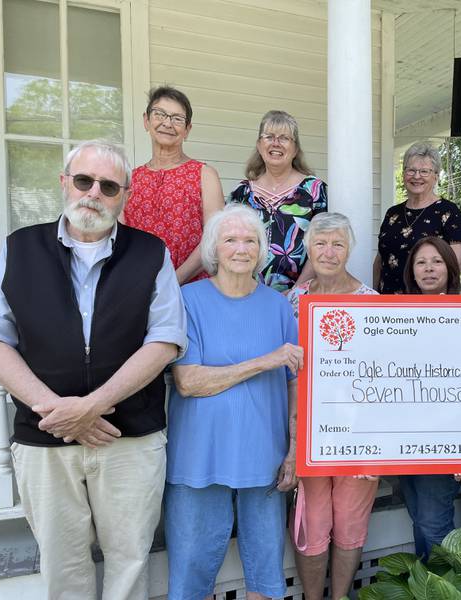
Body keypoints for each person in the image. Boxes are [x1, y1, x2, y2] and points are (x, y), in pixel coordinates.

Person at [0, 140, 187, 599]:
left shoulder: (151, 253)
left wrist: (94, 406)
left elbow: (166, 340)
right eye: (83, 180)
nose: (94, 193)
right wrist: (56, 410)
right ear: (64, 183)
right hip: (45, 437)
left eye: (109, 185)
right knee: (62, 564)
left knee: (131, 561)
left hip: (129, 438)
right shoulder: (19, 248)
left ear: (125, 196)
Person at [165, 205, 302, 599]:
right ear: (213, 249)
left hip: (264, 459)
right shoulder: (188, 300)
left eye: (250, 240)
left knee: (266, 575)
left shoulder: (278, 306)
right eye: (230, 240)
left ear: (261, 250)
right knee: (191, 575)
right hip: (198, 459)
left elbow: (294, 384)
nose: (241, 248)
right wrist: (266, 360)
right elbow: (189, 382)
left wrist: (293, 450)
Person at [286, 212, 379, 600]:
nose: (328, 251)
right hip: (308, 432)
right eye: (320, 243)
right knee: (314, 521)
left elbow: (382, 374)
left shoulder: (370, 302)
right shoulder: (293, 299)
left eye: (338, 244)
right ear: (308, 249)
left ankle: (339, 596)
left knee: (350, 524)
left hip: (356, 434)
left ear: (349, 250)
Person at [398, 236, 461, 559]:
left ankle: (444, 588)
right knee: (417, 515)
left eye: (436, 262)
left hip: (445, 436)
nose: (428, 269)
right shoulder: (395, 314)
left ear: (450, 268)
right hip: (404, 435)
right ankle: (425, 584)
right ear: (411, 271)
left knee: (433, 522)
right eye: (421, 262)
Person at [122, 85, 224, 284]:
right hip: (137, 287)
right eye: (160, 114)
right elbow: (119, 238)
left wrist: (173, 281)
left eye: (177, 119)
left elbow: (215, 237)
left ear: (187, 130)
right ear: (146, 120)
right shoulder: (128, 180)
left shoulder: (205, 175)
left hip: (190, 288)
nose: (167, 124)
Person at [229, 110, 328, 293]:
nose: (276, 143)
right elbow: (228, 244)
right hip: (246, 295)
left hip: (299, 296)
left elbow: (322, 245)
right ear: (259, 145)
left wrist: (295, 293)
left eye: (284, 138)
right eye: (269, 137)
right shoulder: (241, 192)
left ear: (295, 149)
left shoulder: (314, 190)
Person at [375, 141, 461, 294]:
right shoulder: (393, 213)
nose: (416, 176)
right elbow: (380, 259)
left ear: (436, 176)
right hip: (388, 304)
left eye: (424, 171)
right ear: (404, 173)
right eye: (411, 170)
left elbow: (456, 262)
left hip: (427, 304)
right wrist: (373, 295)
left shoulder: (449, 211)